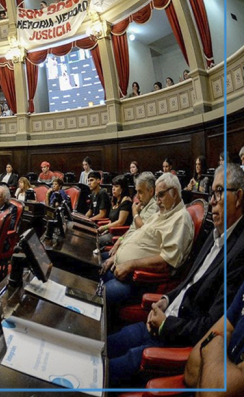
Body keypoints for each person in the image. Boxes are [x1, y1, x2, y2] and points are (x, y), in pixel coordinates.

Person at [108, 165, 244, 388]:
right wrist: (166, 299)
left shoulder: (239, 253)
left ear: (238, 197)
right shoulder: (217, 234)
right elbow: (189, 281)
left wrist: (166, 325)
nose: (212, 201)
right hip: (165, 316)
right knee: (108, 343)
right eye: (212, 194)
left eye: (219, 192)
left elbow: (212, 325)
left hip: (177, 336)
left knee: (114, 366)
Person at [99, 173, 194, 306]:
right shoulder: (161, 214)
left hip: (139, 281)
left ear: (175, 193)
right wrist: (116, 257)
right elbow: (137, 236)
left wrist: (130, 264)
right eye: (156, 196)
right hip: (121, 269)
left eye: (161, 195)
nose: (157, 201)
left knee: (97, 295)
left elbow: (167, 261)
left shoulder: (180, 219)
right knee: (90, 273)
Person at [98, 176, 133, 246]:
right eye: (113, 186)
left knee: (96, 241)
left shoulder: (126, 201)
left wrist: (105, 227)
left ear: (122, 189)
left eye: (116, 186)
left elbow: (120, 222)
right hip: (111, 232)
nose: (113, 189)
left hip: (120, 234)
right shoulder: (116, 201)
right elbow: (112, 220)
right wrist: (106, 229)